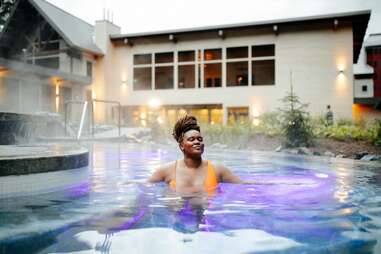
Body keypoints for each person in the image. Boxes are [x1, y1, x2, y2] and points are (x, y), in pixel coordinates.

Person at [148, 115, 243, 194]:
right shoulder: (165, 171)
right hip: (176, 213)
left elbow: (244, 185)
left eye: (200, 139)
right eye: (191, 139)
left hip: (208, 214)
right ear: (181, 146)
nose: (197, 142)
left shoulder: (218, 170)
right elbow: (144, 188)